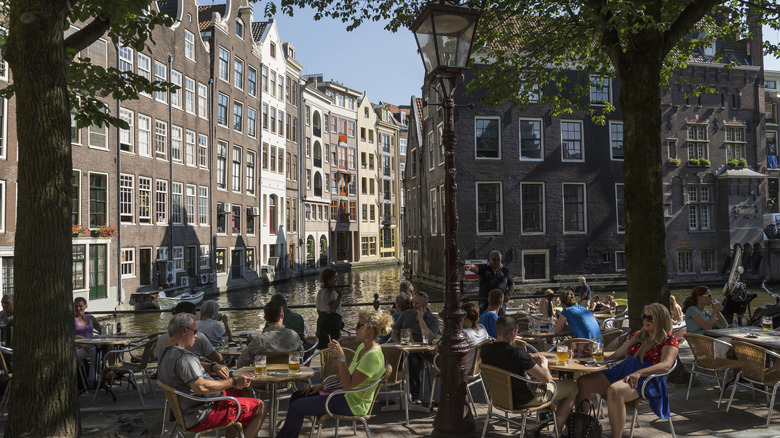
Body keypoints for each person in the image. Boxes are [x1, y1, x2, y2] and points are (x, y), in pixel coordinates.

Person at [277, 311, 391, 438]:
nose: (355, 328)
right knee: (297, 395)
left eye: (359, 325)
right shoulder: (363, 347)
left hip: (353, 404)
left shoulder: (373, 356)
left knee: (296, 407)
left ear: (369, 329)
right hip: (343, 395)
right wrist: (320, 386)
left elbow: (348, 386)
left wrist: (341, 357)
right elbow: (345, 375)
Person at [575, 303, 679, 438]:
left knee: (614, 391)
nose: (645, 320)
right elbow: (615, 355)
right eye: (644, 316)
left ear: (660, 319)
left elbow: (665, 365)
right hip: (623, 371)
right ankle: (583, 428)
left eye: (650, 318)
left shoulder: (669, 340)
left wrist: (640, 372)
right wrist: (593, 353)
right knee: (583, 381)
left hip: (646, 379)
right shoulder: (638, 335)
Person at [157, 313, 265, 438]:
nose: (196, 336)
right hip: (203, 413)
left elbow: (190, 366)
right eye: (195, 331)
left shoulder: (166, 354)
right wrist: (234, 381)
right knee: (261, 406)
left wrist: (212, 366)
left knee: (241, 393)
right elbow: (202, 387)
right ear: (183, 331)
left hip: (188, 410)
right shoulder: (184, 357)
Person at [481, 315, 576, 434]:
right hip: (526, 399)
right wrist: (544, 365)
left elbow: (505, 364)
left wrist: (527, 362)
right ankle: (556, 433)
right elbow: (546, 378)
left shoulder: (484, 350)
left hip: (500, 398)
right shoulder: (517, 353)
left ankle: (546, 415)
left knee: (538, 379)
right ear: (513, 332)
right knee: (572, 386)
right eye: (516, 332)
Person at [392, 291, 440, 402]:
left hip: (424, 351)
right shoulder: (406, 314)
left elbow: (430, 338)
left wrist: (421, 319)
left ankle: (415, 395)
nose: (414, 305)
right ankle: (388, 388)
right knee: (403, 357)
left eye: (418, 303)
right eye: (413, 302)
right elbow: (395, 331)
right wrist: (397, 343)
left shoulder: (433, 319)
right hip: (405, 349)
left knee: (413, 359)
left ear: (426, 303)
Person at [237, 300, 303, 368]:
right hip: (289, 376)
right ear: (282, 316)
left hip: (263, 377)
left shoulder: (259, 341)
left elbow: (240, 364)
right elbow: (301, 355)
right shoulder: (294, 336)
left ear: (265, 318)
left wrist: (248, 346)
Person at [155, 301, 223, 364]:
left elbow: (157, 358)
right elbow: (217, 359)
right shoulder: (199, 337)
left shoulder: (162, 338)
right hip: (196, 373)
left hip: (166, 376)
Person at [465, 250, 515, 315]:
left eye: (498, 260)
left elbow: (512, 285)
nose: (496, 262)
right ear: (490, 259)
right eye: (494, 260)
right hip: (485, 302)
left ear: (501, 260)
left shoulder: (505, 271)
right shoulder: (484, 268)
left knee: (500, 322)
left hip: (499, 304)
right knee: (485, 321)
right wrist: (470, 267)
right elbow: (476, 268)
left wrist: (508, 294)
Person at [74, 297, 103, 387]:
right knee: (94, 351)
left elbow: (102, 330)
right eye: (75, 306)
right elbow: (68, 337)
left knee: (101, 348)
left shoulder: (90, 318)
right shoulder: (71, 320)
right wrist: (81, 344)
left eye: (80, 306)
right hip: (77, 348)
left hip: (91, 345)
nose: (78, 308)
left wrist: (103, 337)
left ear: (86, 306)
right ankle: (102, 375)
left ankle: (93, 380)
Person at [315, 268, 344, 349]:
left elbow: (318, 309)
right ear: (328, 279)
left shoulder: (320, 291)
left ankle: (325, 360)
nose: (337, 279)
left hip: (322, 320)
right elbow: (333, 309)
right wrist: (340, 296)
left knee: (323, 346)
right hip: (332, 321)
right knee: (334, 346)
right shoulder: (330, 292)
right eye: (335, 277)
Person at [462, 302, 489, 370]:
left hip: (465, 369)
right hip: (479, 367)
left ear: (464, 317)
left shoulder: (464, 333)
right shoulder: (483, 328)